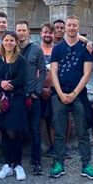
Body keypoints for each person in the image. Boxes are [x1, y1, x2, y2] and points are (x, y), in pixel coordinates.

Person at [49, 15, 93, 180]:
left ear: (78, 26)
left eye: (74, 25)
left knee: (83, 130)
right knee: (59, 131)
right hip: (59, 94)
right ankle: (59, 163)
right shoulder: (57, 48)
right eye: (69, 25)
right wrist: (61, 93)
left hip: (79, 95)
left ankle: (86, 164)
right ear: (65, 27)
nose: (71, 28)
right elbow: (53, 72)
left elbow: (87, 73)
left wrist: (75, 93)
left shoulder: (85, 48)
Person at [0, 31, 28, 180]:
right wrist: (0, 83)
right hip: (0, 101)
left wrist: (7, 84)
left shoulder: (20, 60)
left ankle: (17, 164)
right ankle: (7, 164)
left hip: (15, 100)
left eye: (12, 40)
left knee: (14, 132)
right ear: (2, 42)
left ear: (16, 43)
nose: (9, 43)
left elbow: (21, 79)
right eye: (6, 40)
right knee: (3, 131)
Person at [15, 20, 47, 176]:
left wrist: (38, 91)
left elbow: (43, 71)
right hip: (18, 96)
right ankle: (16, 161)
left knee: (35, 130)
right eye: (19, 30)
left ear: (28, 32)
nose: (21, 33)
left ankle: (36, 162)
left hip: (33, 95)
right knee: (18, 129)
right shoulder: (12, 48)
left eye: (23, 30)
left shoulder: (36, 49)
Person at [39, 22, 56, 157]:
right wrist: (42, 88)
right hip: (40, 90)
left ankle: (56, 147)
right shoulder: (36, 50)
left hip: (55, 90)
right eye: (45, 32)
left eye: (50, 32)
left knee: (55, 119)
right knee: (42, 119)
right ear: (40, 34)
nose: (47, 34)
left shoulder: (58, 50)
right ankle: (45, 146)